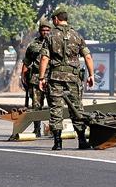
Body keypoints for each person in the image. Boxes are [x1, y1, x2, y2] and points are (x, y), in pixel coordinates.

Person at [38, 8, 94, 151]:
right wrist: (91, 75)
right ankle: (82, 141)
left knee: (56, 109)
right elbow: (87, 56)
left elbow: (44, 58)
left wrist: (41, 78)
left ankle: (57, 143)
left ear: (56, 19)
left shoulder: (50, 36)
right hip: (73, 79)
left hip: (55, 78)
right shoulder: (77, 35)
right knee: (76, 109)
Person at [20, 20, 51, 137]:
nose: (45, 32)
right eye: (43, 30)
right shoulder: (33, 45)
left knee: (54, 105)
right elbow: (27, 61)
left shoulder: (54, 42)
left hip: (51, 78)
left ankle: (54, 128)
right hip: (36, 78)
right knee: (36, 106)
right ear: (40, 31)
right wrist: (23, 76)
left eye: (48, 30)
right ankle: (37, 129)